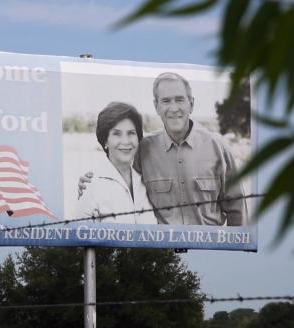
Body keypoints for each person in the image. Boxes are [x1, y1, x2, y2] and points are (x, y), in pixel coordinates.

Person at [80, 72, 248, 226]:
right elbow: (121, 182)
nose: (174, 108)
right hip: (163, 256)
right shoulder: (142, 149)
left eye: (180, 99)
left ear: (191, 104)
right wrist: (88, 185)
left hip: (209, 252)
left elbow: (237, 211)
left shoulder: (218, 147)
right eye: (166, 101)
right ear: (156, 106)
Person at [75, 102, 157, 224]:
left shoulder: (145, 181)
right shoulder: (91, 186)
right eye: (117, 134)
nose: (126, 141)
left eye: (131, 133)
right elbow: (79, 239)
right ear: (105, 141)